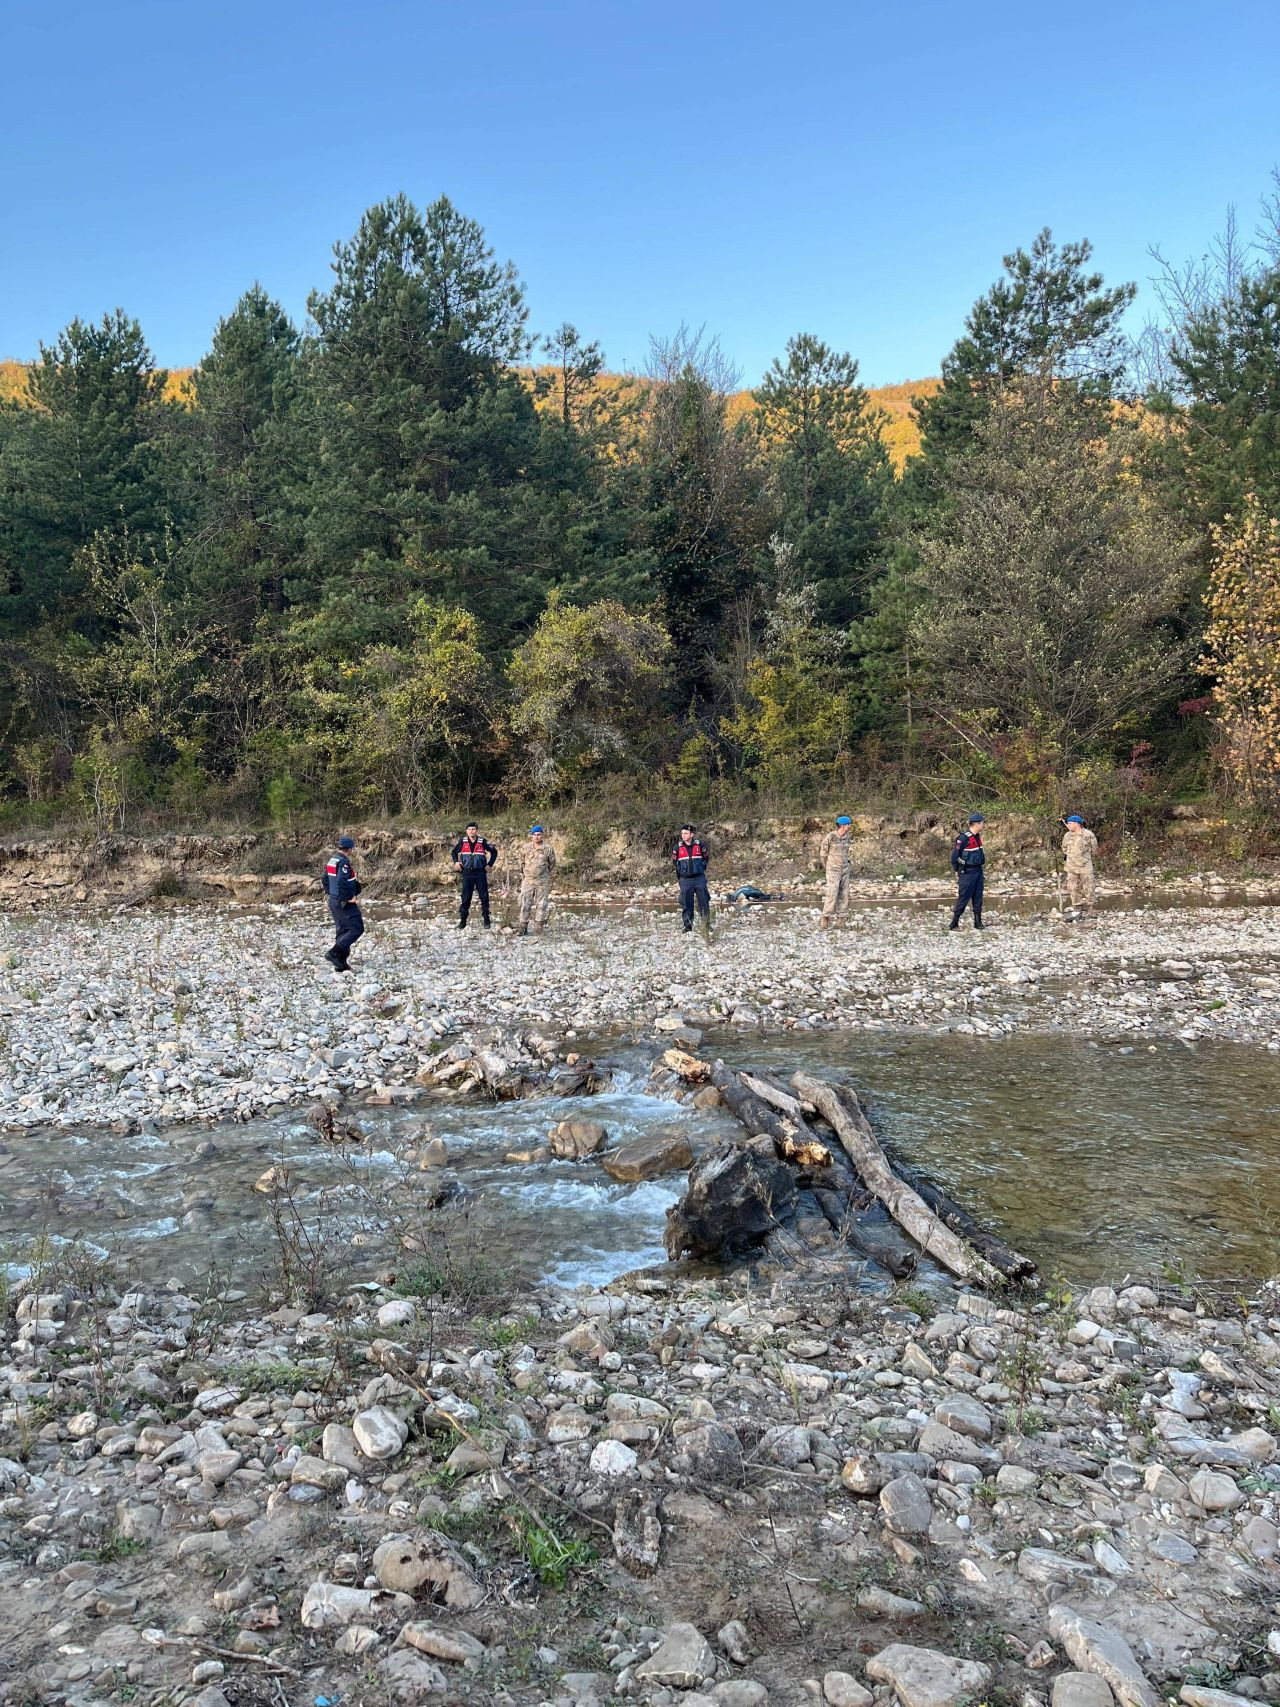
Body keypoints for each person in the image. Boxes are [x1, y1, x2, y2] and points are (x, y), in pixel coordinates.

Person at [322, 834, 364, 972]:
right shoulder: (344, 862)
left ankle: (340, 963)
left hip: (334, 900)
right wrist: (349, 897)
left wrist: (332, 894)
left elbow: (325, 879)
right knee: (357, 928)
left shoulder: (332, 860)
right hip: (344, 902)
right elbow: (341, 881)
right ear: (350, 849)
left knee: (343, 930)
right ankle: (334, 953)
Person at [451, 821, 498, 930]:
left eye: (473, 829)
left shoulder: (483, 842)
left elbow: (494, 852)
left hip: (480, 873)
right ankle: (463, 922)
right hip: (467, 873)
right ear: (466, 831)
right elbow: (453, 852)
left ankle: (486, 920)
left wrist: (489, 865)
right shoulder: (462, 841)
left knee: (484, 897)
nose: (471, 831)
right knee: (466, 898)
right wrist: (456, 862)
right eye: (469, 829)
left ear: (477, 830)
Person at [518, 824, 557, 935]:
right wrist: (525, 874)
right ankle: (523, 927)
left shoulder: (548, 849)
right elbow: (521, 862)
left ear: (542, 835)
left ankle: (538, 928)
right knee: (525, 903)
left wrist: (543, 873)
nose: (536, 837)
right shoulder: (526, 847)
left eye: (538, 834)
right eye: (534, 835)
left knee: (542, 904)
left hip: (542, 881)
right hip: (528, 881)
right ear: (531, 836)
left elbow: (552, 863)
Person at [949, 813, 986, 931]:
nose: (983, 824)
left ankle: (978, 922)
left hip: (978, 871)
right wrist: (959, 870)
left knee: (978, 896)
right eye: (982, 822)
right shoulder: (963, 838)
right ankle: (954, 922)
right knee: (963, 897)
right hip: (967, 873)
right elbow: (955, 858)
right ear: (976, 824)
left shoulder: (977, 836)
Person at [672, 823, 711, 933]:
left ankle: (706, 925)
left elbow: (706, 858)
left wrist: (701, 867)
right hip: (685, 879)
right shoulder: (677, 848)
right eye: (682, 833)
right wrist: (680, 879)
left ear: (692, 834)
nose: (683, 835)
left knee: (704, 902)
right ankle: (688, 927)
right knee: (687, 904)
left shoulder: (700, 846)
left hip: (699, 878)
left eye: (686, 833)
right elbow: (675, 863)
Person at [818, 814, 853, 929]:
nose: (849, 826)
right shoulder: (831, 836)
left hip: (845, 869)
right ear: (842, 825)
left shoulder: (847, 837)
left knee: (844, 894)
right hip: (833, 869)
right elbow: (823, 853)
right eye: (848, 824)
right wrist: (827, 866)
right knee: (832, 893)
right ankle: (825, 918)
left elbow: (847, 851)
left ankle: (840, 920)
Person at [1062, 814, 1099, 911]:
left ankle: (1091, 906)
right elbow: (1064, 849)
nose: (1068, 825)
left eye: (1070, 823)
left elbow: (1094, 849)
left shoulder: (1088, 835)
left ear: (1076, 824)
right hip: (1071, 867)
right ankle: (1077, 906)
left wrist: (1084, 858)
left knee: (1089, 887)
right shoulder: (1067, 835)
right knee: (1073, 888)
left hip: (1085, 866)